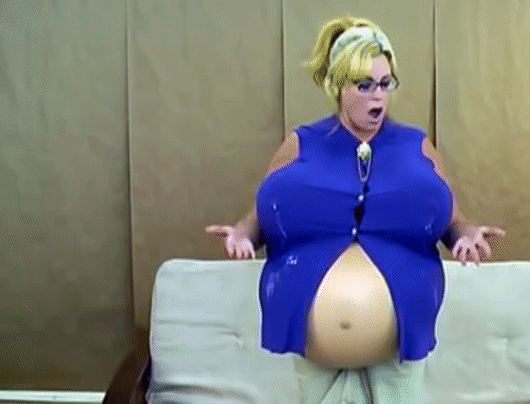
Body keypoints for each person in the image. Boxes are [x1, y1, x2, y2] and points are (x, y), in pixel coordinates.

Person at [206, 16, 506, 404]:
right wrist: (242, 233)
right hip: (317, 351)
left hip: (400, 348)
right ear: (338, 86)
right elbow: (266, 211)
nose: (377, 96)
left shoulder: (417, 146)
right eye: (364, 85)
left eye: (385, 83)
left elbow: (448, 215)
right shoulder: (300, 144)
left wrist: (466, 233)